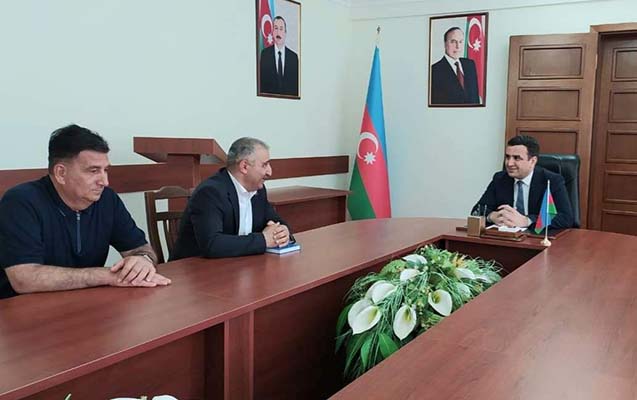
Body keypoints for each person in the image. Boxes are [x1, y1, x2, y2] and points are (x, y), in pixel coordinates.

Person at [0, 125, 171, 299]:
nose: (104, 181)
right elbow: (24, 278)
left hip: (83, 302)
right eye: (93, 171)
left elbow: (141, 249)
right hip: (19, 308)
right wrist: (108, 276)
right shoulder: (21, 201)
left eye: (105, 170)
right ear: (61, 173)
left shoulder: (107, 199)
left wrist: (142, 261)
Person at [171, 137, 292, 260]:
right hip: (193, 267)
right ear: (244, 166)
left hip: (236, 264)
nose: (270, 172)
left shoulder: (258, 190)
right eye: (264, 165)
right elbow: (212, 244)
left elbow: (275, 222)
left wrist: (283, 232)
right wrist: (263, 240)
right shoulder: (210, 193)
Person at [472, 135, 575, 230]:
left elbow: (566, 218)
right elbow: (477, 210)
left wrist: (527, 220)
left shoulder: (552, 181)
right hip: (506, 237)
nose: (509, 163)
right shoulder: (500, 179)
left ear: (533, 161)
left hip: (537, 237)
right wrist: (491, 216)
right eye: (507, 157)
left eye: (516, 158)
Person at [430, 27, 480, 105]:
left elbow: (475, 98)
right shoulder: (434, 70)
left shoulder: (470, 65)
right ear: (445, 44)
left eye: (460, 42)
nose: (458, 46)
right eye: (453, 42)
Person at [259, 16, 299, 96]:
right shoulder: (264, 55)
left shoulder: (293, 57)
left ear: (285, 33)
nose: (278, 33)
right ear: (272, 32)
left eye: (281, 29)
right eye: (276, 28)